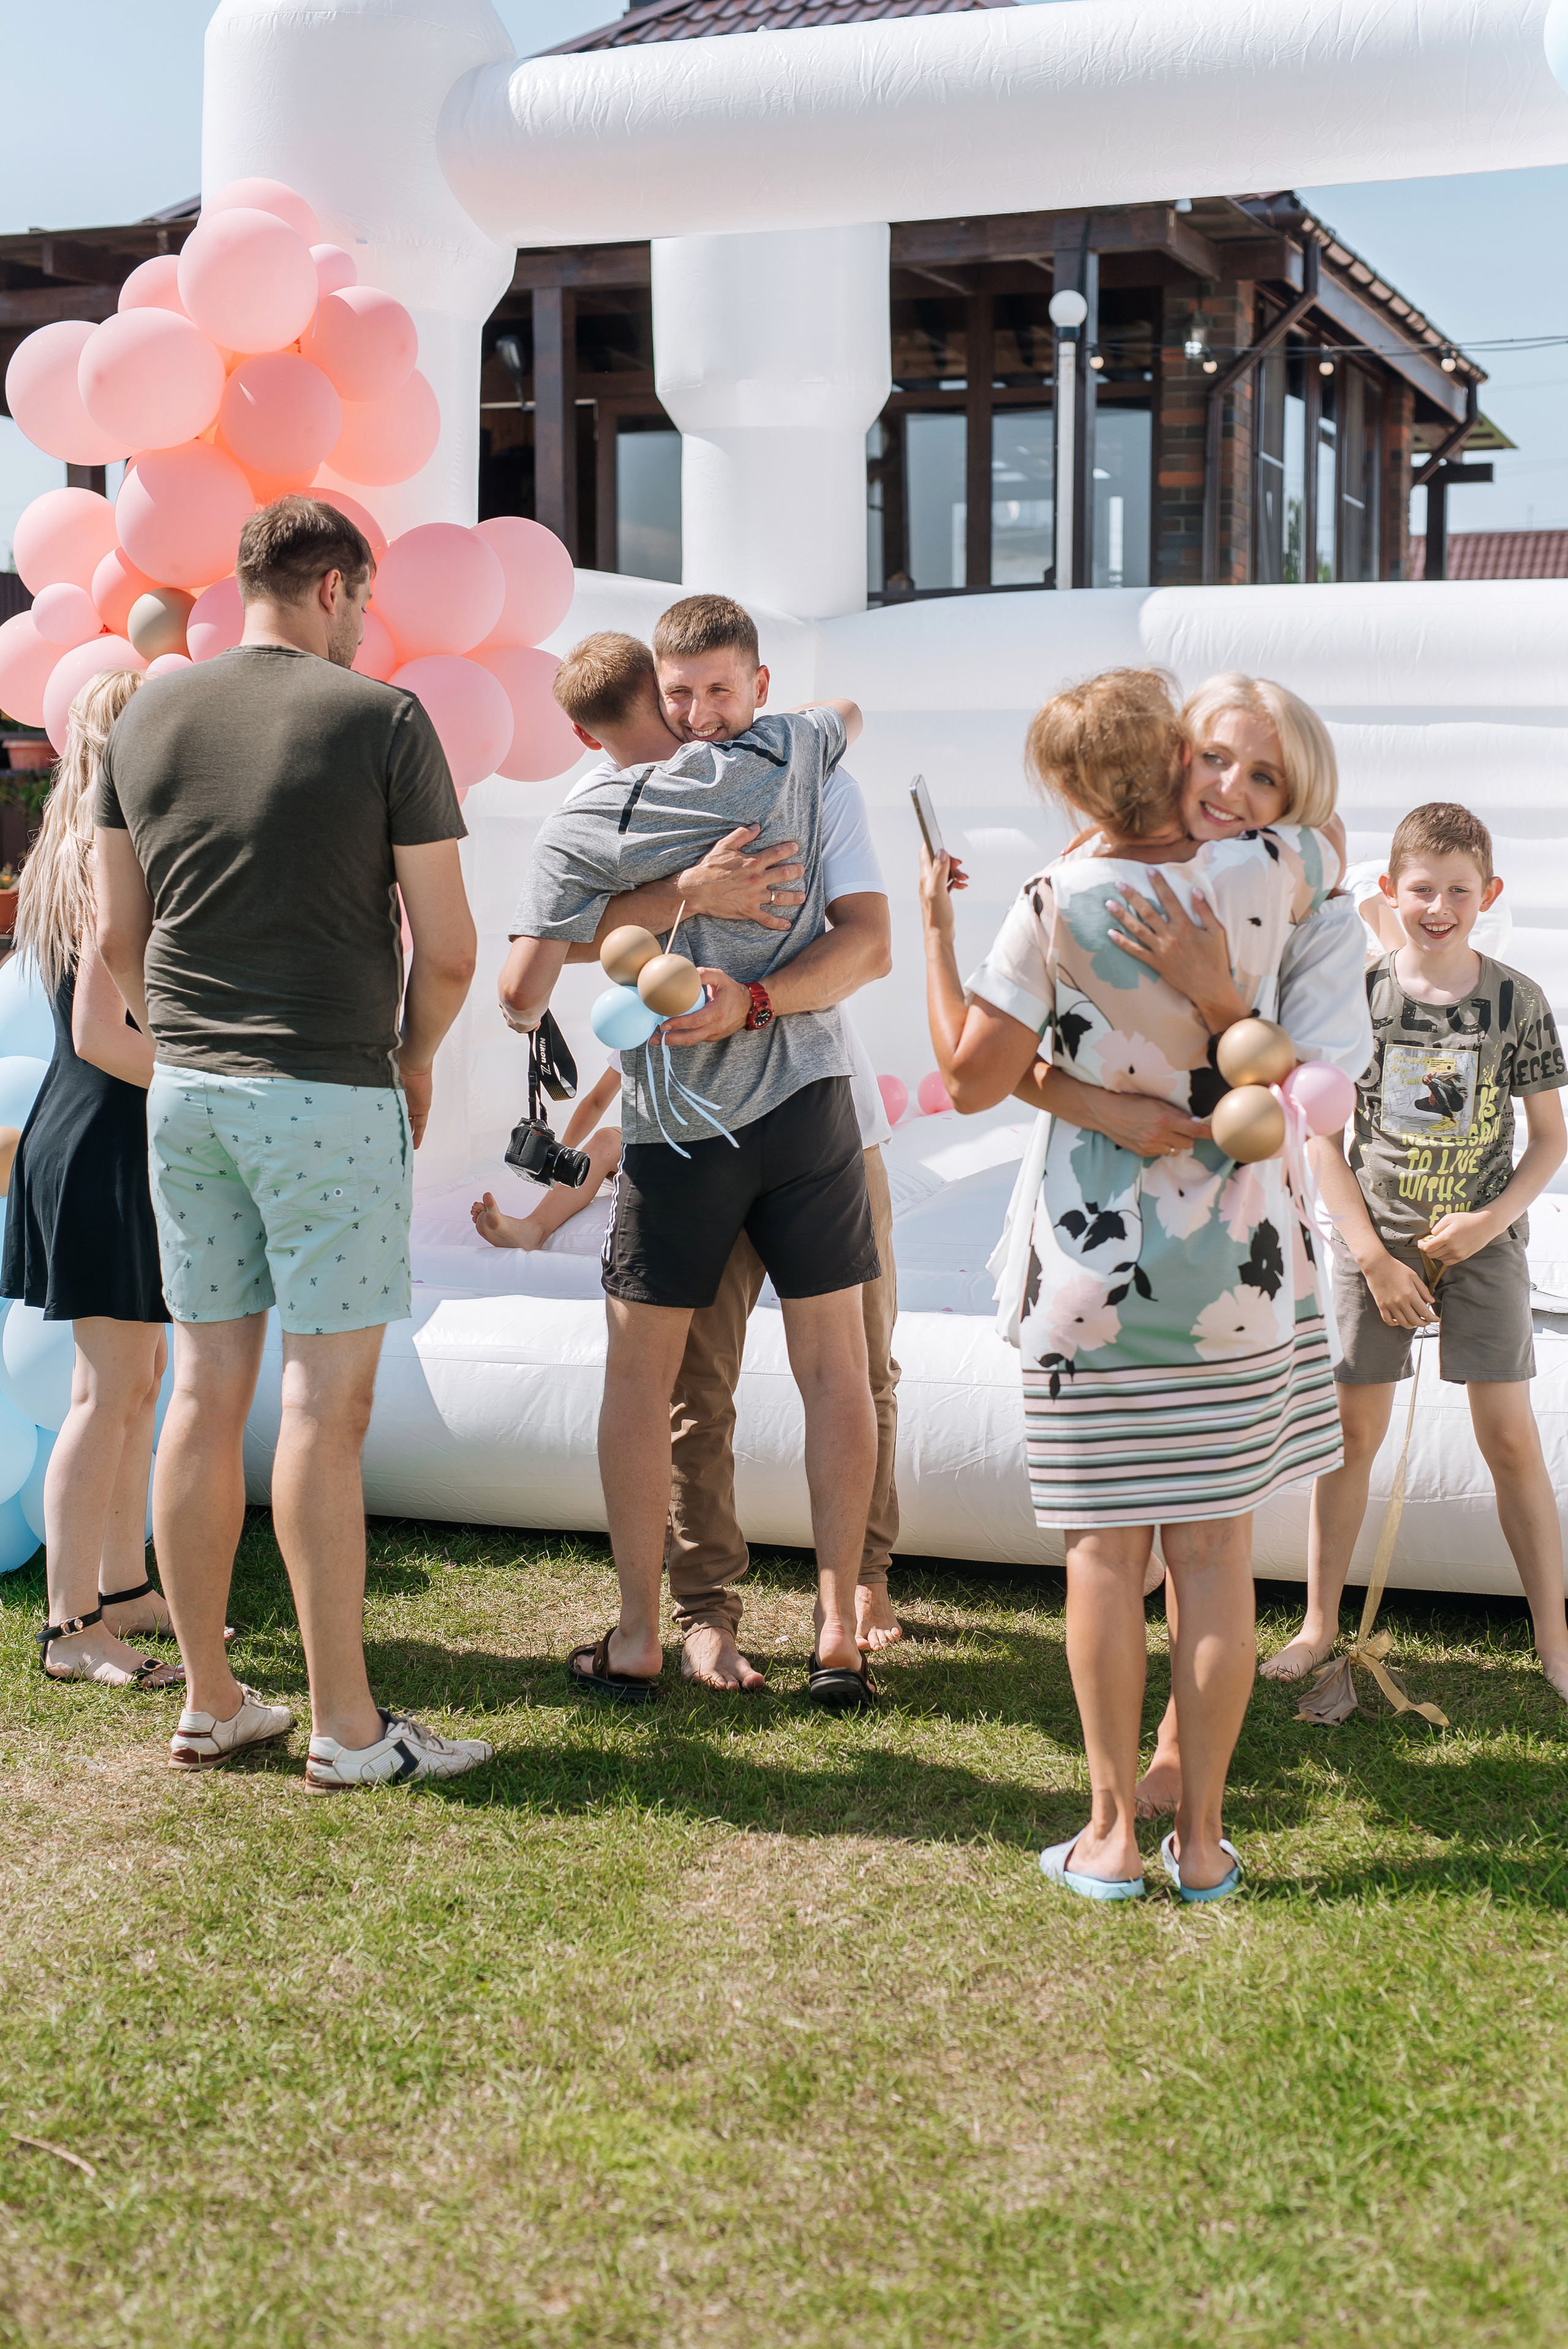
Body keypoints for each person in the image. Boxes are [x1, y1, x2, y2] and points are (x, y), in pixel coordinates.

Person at [923, 668, 1343, 1901]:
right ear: (1173, 757)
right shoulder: (1274, 867)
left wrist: (948, 932)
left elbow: (968, 1079)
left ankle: (1108, 1837)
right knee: (1214, 1558)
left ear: (1068, 789)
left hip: (1089, 1279)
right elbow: (1328, 829)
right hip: (1239, 1280)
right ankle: (1200, 1843)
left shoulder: (1052, 900)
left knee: (1103, 1560)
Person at [94, 494, 492, 1791]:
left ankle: (212, 1701)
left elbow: (117, 938)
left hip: (189, 1092)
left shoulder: (143, 714)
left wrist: (184, 1043)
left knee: (202, 1391)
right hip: (327, 1090)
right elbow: (449, 949)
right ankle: (347, 1728)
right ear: (333, 588)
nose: (363, 624)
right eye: (363, 602)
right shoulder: (383, 719)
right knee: (326, 1405)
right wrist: (412, 1058)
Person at [500, 602, 882, 1710]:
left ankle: (652, 1634)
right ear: (654, 693)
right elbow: (846, 710)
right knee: (821, 1371)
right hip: (781, 1108)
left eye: (717, 691)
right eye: (684, 695)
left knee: (654, 1379)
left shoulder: (586, 818)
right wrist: (693, 897)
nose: (702, 713)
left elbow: (520, 993)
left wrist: (661, 923)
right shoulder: (794, 750)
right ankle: (823, 1635)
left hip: (703, 1123)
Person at [1046, 672, 1371, 1809]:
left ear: (1294, 798)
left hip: (1233, 1248)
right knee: (1116, 1536)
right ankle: (1122, 1792)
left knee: (1208, 1530)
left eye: (1263, 774)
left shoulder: (1312, 905)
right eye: (1214, 757)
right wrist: (1104, 1108)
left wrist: (1214, 988)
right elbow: (1023, 1050)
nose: (1230, 787)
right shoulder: (1094, 871)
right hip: (1092, 1233)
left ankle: (1182, 1757)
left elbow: (1318, 1089)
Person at [1272, 800, 1568, 1697]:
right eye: (1422, 889)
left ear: (1490, 894)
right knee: (1351, 1437)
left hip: (1484, 1243)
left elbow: (1550, 1138)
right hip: (1377, 1245)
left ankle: (1554, 1637)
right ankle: (1319, 1623)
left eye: (1459, 891)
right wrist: (1372, 1256)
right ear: (1390, 891)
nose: (1439, 907)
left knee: (1509, 1437)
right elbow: (1322, 1138)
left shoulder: (1517, 1000)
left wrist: (1487, 1222)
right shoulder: (1357, 998)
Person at [4, 670, 178, 1689]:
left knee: (132, 1381)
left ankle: (125, 1585)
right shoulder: (107, 857)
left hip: (102, 1134)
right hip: (106, 1137)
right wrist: (218, 1080)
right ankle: (71, 1627)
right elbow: (103, 1036)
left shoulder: (78, 845)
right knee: (108, 1390)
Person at [471, 1054, 622, 1252]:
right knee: (607, 1140)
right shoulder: (637, 1040)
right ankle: (532, 1231)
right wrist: (560, 1156)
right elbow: (596, 1102)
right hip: (648, 1155)